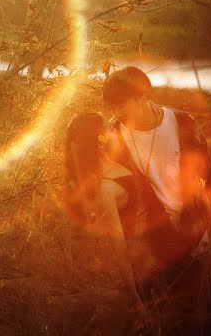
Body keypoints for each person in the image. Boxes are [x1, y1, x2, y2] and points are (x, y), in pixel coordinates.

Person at [103, 66, 211, 334]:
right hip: (149, 237)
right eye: (113, 106)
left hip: (191, 231)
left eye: (122, 104)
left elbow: (208, 173)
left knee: (195, 312)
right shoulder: (113, 136)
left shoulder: (181, 123)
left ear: (141, 96)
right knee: (166, 314)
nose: (118, 112)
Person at [63, 111, 156, 310]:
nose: (114, 131)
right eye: (108, 128)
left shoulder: (119, 159)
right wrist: (135, 296)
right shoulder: (106, 187)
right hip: (152, 257)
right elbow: (120, 245)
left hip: (170, 238)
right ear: (99, 139)